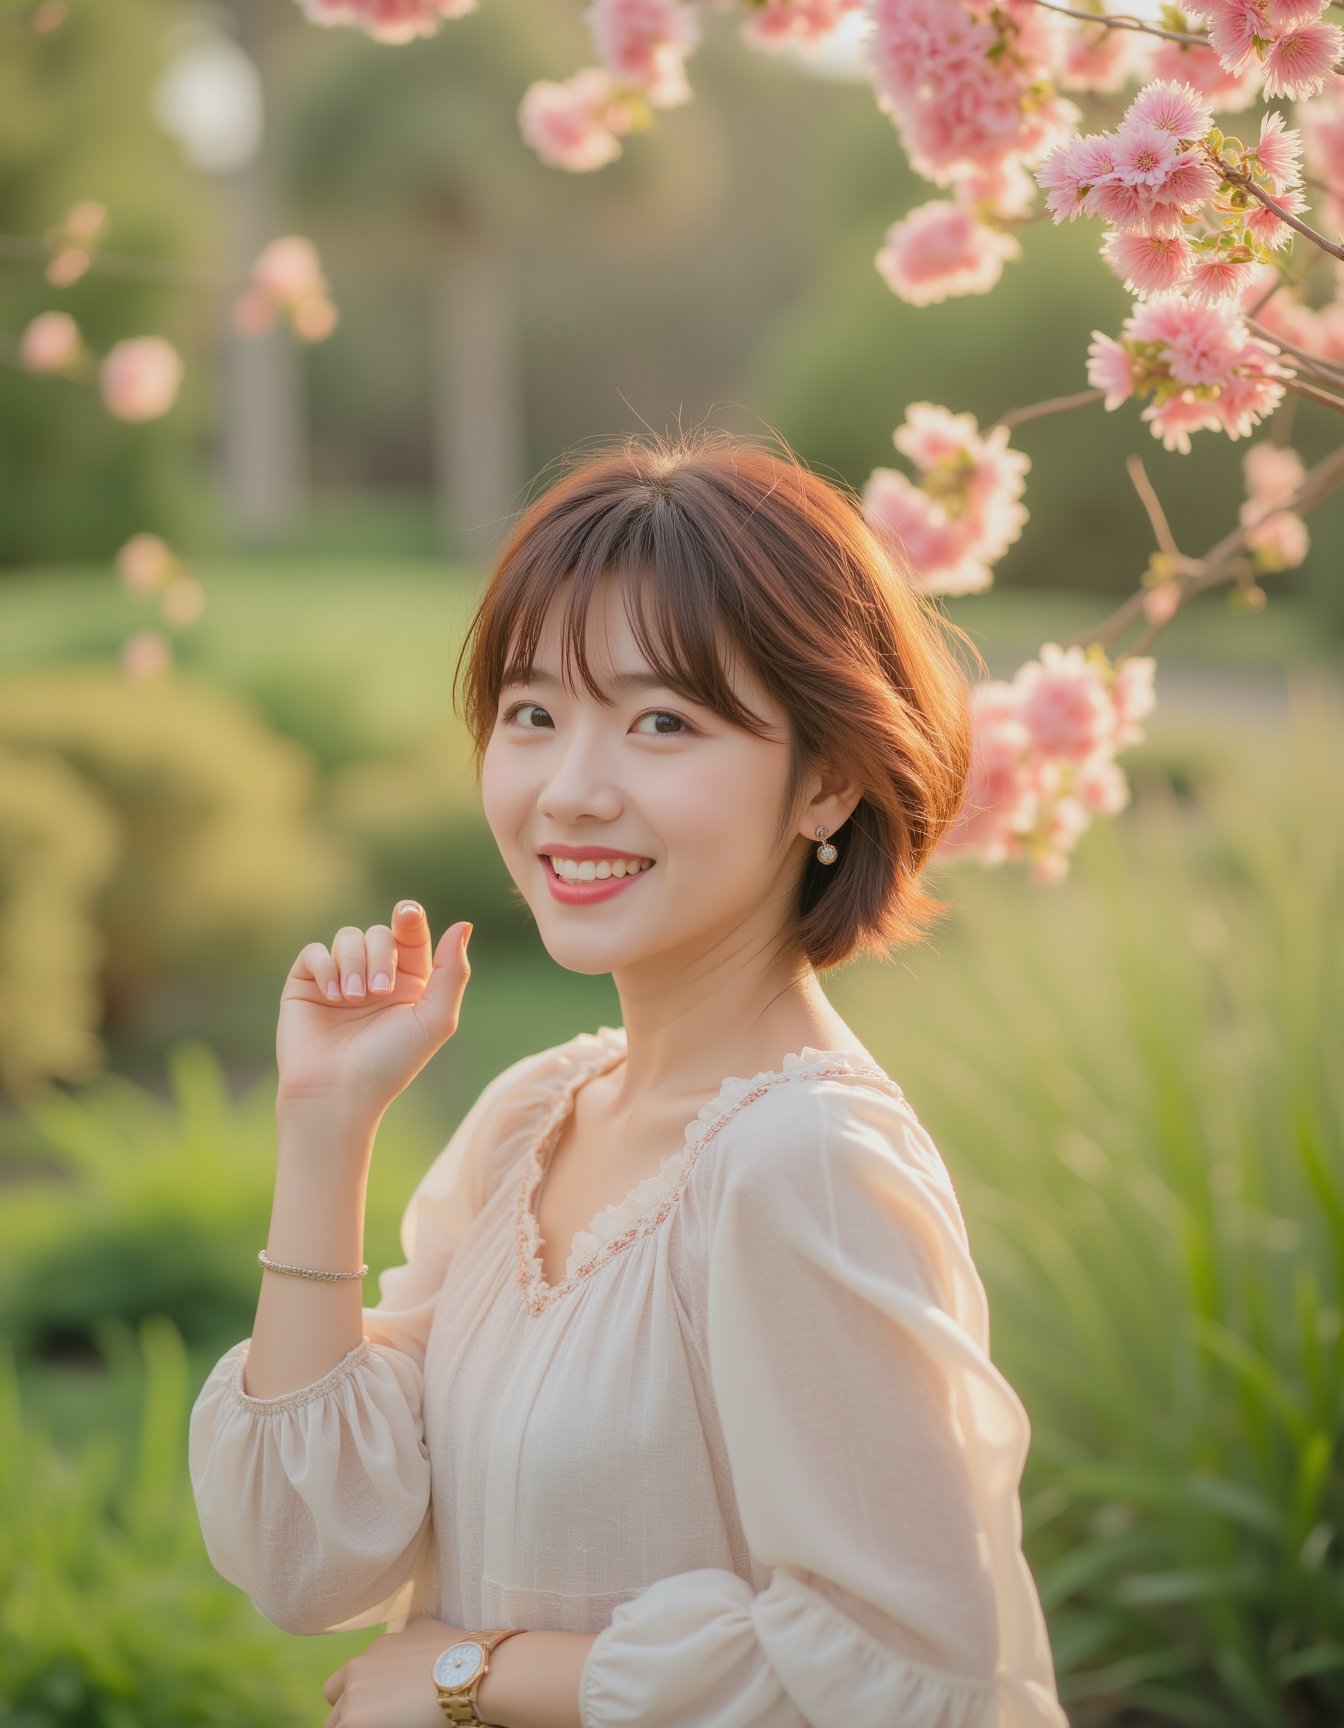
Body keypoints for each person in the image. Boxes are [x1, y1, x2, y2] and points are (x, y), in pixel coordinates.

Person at [189, 427, 1070, 1728]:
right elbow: (312, 1557)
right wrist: (324, 1129)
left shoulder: (803, 1167)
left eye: (662, 721)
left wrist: (473, 1674)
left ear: (825, 781)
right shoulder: (537, 1116)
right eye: (534, 714)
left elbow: (915, 1676)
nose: (571, 790)